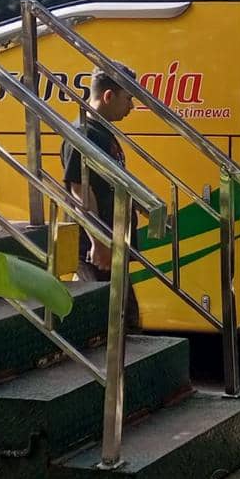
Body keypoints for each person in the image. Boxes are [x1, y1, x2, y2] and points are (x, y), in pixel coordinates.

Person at [62, 64, 141, 324]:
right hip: (96, 248)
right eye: (128, 98)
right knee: (110, 319)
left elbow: (108, 181)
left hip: (110, 242)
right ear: (108, 96)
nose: (131, 107)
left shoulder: (102, 132)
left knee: (122, 315)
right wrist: (98, 242)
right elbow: (79, 191)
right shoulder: (84, 134)